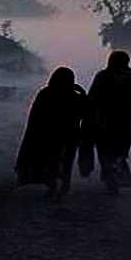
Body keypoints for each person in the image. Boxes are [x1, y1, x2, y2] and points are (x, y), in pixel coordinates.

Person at [81, 50, 131, 195]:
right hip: (122, 122)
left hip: (103, 121)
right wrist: (128, 110)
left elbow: (92, 98)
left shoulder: (103, 76)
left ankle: (110, 178)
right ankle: (113, 177)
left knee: (104, 150)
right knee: (119, 150)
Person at [15, 67, 87, 199]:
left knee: (50, 160)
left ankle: (53, 186)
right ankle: (63, 187)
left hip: (48, 134)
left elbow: (35, 116)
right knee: (66, 162)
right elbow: (85, 113)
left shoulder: (45, 93)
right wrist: (82, 93)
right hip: (71, 135)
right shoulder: (74, 97)